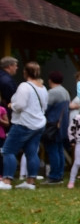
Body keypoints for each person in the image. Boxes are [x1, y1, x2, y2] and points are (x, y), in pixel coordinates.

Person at [0, 61, 48, 191]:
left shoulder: (24, 86)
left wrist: (11, 105)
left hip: (23, 123)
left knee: (8, 150)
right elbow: (44, 106)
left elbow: (20, 105)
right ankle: (30, 181)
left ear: (25, 72)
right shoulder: (42, 88)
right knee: (31, 153)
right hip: (38, 123)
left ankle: (6, 180)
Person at [42, 71, 71, 184]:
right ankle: (59, 174)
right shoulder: (65, 91)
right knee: (59, 150)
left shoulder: (52, 92)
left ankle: (54, 176)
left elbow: (45, 108)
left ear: (50, 80)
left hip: (52, 125)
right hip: (62, 125)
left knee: (52, 150)